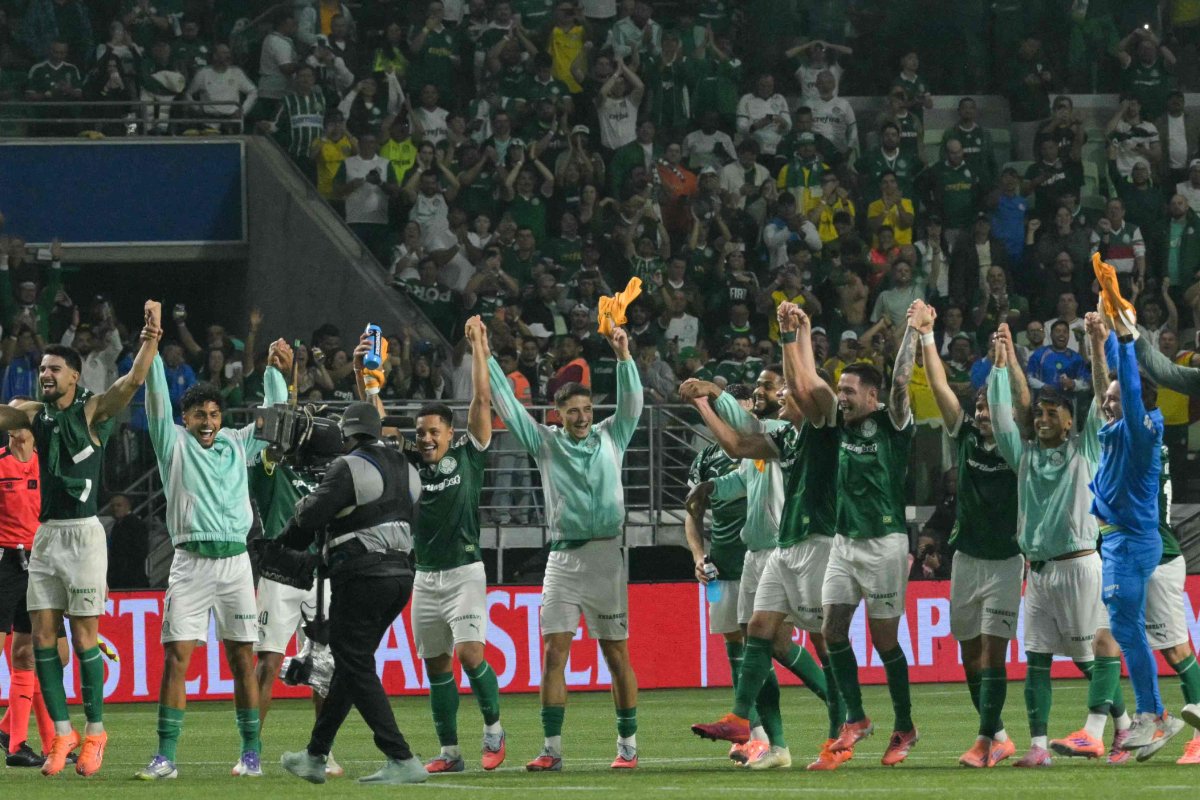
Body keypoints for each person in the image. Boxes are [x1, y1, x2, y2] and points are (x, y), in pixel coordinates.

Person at [0, 300, 161, 777]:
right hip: (45, 538)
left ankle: (95, 733)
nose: (45, 375)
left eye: (54, 369)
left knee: (84, 638)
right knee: (42, 640)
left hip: (85, 536)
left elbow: (131, 381)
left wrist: (150, 338)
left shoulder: (92, 410)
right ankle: (63, 734)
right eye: (42, 369)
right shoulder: (31, 413)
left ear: (74, 375)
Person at [486, 321, 642, 770]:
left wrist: (624, 356)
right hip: (562, 559)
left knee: (615, 654)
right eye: (572, 411)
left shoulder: (612, 435)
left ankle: (627, 745)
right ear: (558, 414)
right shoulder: (546, 443)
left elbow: (632, 403)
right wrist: (486, 357)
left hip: (606, 557)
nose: (582, 417)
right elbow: (509, 407)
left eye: (587, 409)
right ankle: (551, 750)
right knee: (555, 652)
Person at [136, 337, 292, 780]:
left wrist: (273, 371)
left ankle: (251, 753)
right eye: (199, 415)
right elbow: (155, 400)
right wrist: (152, 349)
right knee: (176, 658)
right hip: (190, 564)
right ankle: (165, 757)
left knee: (242, 659)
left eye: (214, 414)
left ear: (221, 418)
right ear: (185, 418)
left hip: (235, 565)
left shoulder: (237, 443)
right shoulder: (172, 443)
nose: (207, 422)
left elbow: (275, 417)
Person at [986, 324, 1131, 767]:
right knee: (1037, 660)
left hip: (1079, 567)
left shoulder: (1086, 450)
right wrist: (1001, 365)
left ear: (1070, 420)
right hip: (1038, 572)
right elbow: (1002, 417)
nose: (1043, 419)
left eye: (1053, 412)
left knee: (1089, 660)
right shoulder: (1025, 456)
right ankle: (1038, 747)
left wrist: (1096, 346)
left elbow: (1102, 403)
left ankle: (1127, 724)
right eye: (1040, 413)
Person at [788, 301, 921, 765]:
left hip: (884, 544)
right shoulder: (836, 427)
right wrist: (800, 331)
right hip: (844, 543)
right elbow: (807, 385)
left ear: (871, 396)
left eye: (849, 391)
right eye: (840, 389)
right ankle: (857, 718)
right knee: (832, 630)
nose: (841, 397)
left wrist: (914, 330)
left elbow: (901, 382)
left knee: (884, 641)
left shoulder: (892, 423)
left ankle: (904, 726)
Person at [276, 402, 426, 786]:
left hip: (362, 576)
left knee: (355, 664)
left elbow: (309, 517)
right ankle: (315, 755)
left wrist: (283, 543)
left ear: (346, 434)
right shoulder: (407, 468)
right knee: (350, 663)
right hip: (401, 576)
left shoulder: (349, 466)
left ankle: (401, 756)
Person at [385, 318, 507, 774]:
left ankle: (494, 730)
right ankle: (450, 752)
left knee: (469, 655)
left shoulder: (468, 454)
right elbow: (378, 427)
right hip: (424, 576)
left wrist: (478, 347)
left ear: (450, 433)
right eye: (421, 432)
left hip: (464, 572)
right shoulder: (410, 463)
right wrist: (365, 377)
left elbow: (481, 399)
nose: (426, 438)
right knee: (437, 667)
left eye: (434, 431)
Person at [913, 309, 1023, 767]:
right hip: (967, 560)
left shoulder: (1018, 446)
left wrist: (1006, 362)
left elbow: (1022, 399)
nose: (981, 414)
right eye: (978, 407)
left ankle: (983, 741)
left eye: (988, 407)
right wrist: (927, 337)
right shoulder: (967, 438)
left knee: (993, 653)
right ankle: (998, 735)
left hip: (1005, 561)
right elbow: (940, 387)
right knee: (968, 653)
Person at [1079, 309, 1181, 753]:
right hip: (1121, 540)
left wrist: (1123, 339)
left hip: (1130, 543)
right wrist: (1098, 340)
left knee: (1127, 629)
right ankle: (1154, 715)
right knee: (1128, 630)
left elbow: (1130, 391)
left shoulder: (1141, 434)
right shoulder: (1121, 428)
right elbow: (1107, 389)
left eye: (1116, 400)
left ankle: (1152, 715)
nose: (1107, 403)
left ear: (1137, 404)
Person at [0, 398, 55, 767]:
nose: (14, 427)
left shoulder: (47, 466)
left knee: (31, 655)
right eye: (10, 420)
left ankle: (18, 739)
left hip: (39, 565)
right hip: (4, 564)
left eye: (21, 421)